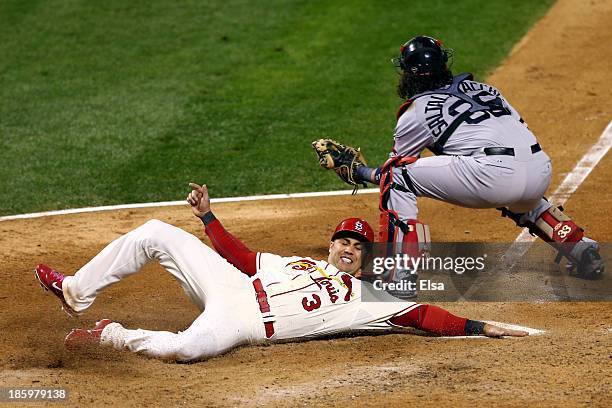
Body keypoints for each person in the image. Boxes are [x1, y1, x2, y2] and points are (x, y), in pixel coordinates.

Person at [34, 182, 527, 362]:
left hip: (245, 324)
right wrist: (208, 216)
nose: (349, 248)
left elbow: (424, 316)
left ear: (365, 255)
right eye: (343, 240)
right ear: (332, 245)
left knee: (185, 348)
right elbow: (243, 259)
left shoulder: (369, 298)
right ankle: (75, 291)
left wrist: (481, 328)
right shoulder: (299, 263)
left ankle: (114, 336)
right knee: (155, 231)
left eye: (358, 244)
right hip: (233, 285)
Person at [351, 35, 604, 293]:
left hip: (494, 177)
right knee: (518, 186)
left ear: (408, 73)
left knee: (396, 178)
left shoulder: (416, 111)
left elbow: (393, 170)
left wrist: (359, 171)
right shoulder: (486, 89)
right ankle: (580, 246)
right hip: (540, 171)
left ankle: (399, 275)